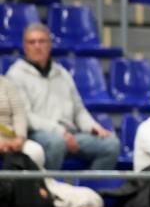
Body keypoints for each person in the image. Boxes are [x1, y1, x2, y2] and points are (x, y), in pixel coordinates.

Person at [6, 24, 119, 170]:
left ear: (50, 45)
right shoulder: (15, 75)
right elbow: (26, 116)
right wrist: (60, 132)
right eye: (32, 42)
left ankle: (92, 188)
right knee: (56, 143)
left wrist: (93, 127)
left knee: (111, 144)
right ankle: (49, 188)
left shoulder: (62, 73)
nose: (37, 46)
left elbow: (78, 110)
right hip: (39, 135)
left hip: (71, 134)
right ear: (24, 46)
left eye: (42, 41)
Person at [0, 72, 46, 167]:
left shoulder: (6, 83)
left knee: (35, 151)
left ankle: (35, 182)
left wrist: (20, 138)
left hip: (11, 138)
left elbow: (19, 113)